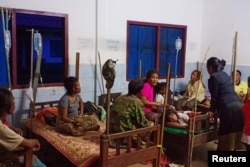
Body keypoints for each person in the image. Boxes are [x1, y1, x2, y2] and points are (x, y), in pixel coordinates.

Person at [206, 57, 244, 151]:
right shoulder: (225, 75)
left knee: (225, 134)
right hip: (239, 106)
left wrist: (211, 110)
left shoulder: (213, 77)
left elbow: (214, 97)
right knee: (235, 133)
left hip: (228, 108)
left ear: (210, 68)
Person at [0, 88, 40, 157]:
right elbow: (29, 144)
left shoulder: (2, 122)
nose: (14, 105)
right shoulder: (2, 129)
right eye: (13, 103)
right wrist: (36, 141)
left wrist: (12, 128)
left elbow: (4, 123)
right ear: (9, 106)